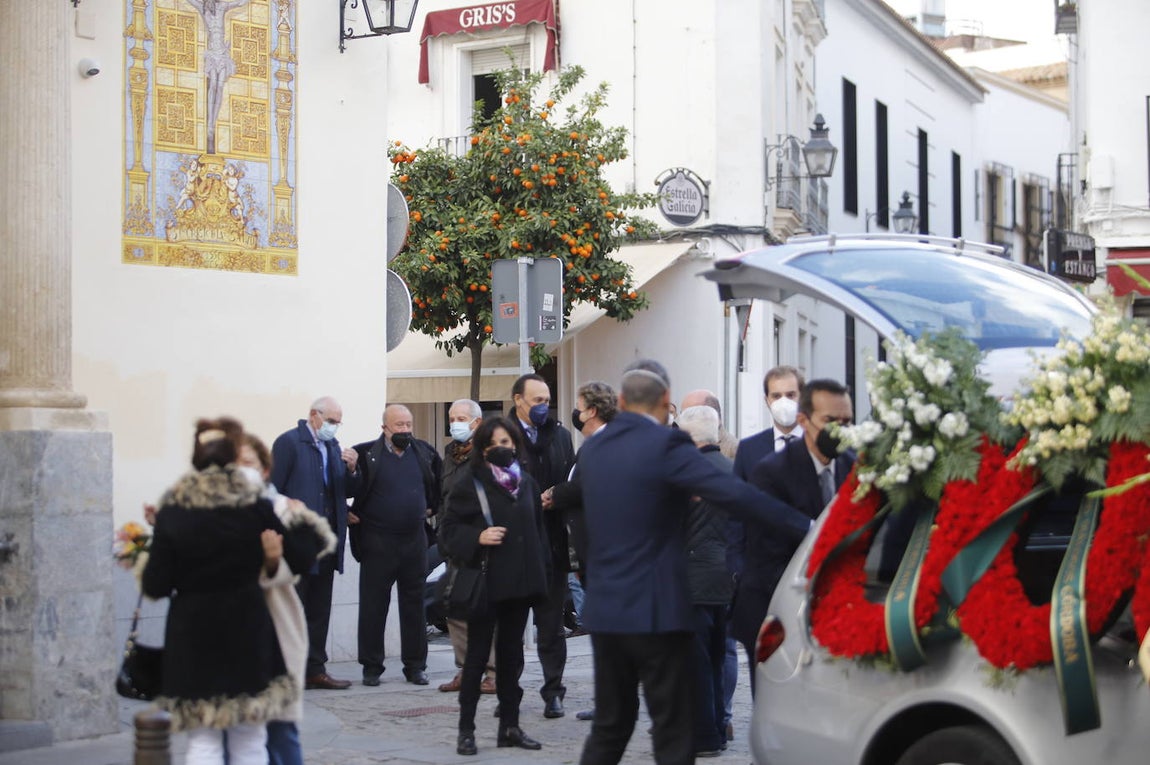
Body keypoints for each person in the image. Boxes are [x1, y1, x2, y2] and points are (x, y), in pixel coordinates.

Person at [577, 360, 813, 765]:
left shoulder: (594, 449)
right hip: (658, 610)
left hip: (605, 608)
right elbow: (736, 495)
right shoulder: (667, 446)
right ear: (667, 401)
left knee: (610, 726)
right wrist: (807, 525)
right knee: (674, 728)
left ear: (621, 401)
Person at [142, 418, 312, 765]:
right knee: (250, 740)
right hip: (248, 632)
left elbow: (155, 584)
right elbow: (300, 557)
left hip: (193, 636)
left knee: (203, 742)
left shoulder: (174, 511)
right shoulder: (255, 506)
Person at [733, 379, 856, 691]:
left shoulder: (853, 465)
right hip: (777, 611)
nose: (840, 430)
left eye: (846, 422)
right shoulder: (772, 472)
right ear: (804, 421)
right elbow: (766, 554)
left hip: (836, 610)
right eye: (830, 421)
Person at [439, 417, 551, 756]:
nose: (501, 448)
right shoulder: (470, 483)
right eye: (493, 444)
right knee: (476, 658)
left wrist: (541, 579)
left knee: (511, 656)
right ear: (482, 448)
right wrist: (478, 536)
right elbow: (448, 531)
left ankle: (510, 727)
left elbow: (538, 533)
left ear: (515, 444)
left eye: (506, 442)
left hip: (520, 584)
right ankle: (466, 730)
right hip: (486, 582)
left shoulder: (526, 483)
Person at [238, 434, 337, 765]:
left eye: (248, 463)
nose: (241, 471)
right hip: (229, 633)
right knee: (235, 733)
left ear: (264, 470)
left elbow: (306, 557)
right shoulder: (212, 511)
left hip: (274, 626)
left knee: (280, 730)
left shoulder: (284, 508)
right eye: (234, 464)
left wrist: (272, 562)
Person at [270, 396, 360, 690]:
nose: (334, 427)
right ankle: (286, 673)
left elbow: (343, 490)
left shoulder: (332, 446)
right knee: (292, 610)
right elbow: (272, 490)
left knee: (319, 610)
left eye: (337, 423)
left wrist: (352, 470)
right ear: (313, 415)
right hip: (297, 543)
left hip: (326, 542)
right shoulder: (289, 443)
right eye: (331, 421)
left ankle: (315, 670)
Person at [350, 404, 441, 686]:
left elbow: (439, 485)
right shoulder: (365, 454)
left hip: (414, 541)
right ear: (384, 428)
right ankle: (371, 667)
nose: (405, 430)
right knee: (373, 606)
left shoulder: (424, 452)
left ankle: (415, 667)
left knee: (414, 606)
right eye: (399, 425)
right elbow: (345, 487)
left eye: (408, 425)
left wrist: (432, 508)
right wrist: (346, 512)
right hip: (377, 542)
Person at [507, 373, 576, 719]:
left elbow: (572, 482)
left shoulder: (560, 436)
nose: (543, 407)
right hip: (514, 547)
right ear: (518, 400)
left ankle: (553, 692)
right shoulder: (501, 435)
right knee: (510, 627)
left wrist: (557, 497)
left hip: (552, 544)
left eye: (547, 400)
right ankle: (509, 693)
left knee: (551, 627)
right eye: (537, 400)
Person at [676, 406, 738, 757]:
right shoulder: (732, 471)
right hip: (726, 577)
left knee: (695, 662)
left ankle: (704, 737)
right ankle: (718, 727)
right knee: (717, 658)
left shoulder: (686, 475)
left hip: (693, 578)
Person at [438, 399, 497, 695]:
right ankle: (465, 669)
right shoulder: (450, 454)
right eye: (452, 418)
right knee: (456, 605)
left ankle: (494, 672)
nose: (455, 424)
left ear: (477, 422)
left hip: (482, 542)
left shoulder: (488, 453)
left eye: (461, 418)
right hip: (455, 542)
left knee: (486, 609)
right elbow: (443, 497)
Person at [731, 366, 805, 481]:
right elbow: (739, 490)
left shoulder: (818, 444)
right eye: (776, 396)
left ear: (803, 398)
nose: (783, 402)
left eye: (790, 395)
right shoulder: (748, 449)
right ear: (767, 401)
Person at [679, 390, 738, 459]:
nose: (683, 420)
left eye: (689, 416)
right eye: (682, 414)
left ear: (710, 414)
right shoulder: (681, 445)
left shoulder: (734, 449)